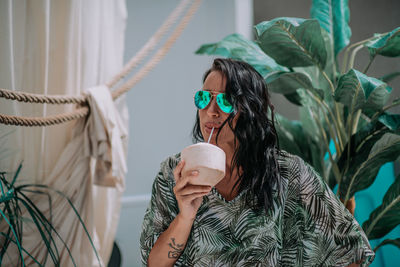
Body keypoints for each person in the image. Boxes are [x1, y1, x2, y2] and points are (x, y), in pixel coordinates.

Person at [140, 58, 375, 266]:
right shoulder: (175, 173)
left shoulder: (287, 174)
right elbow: (155, 263)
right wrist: (185, 216)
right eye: (203, 98)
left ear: (250, 110)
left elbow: (351, 249)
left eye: (225, 101)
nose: (211, 111)